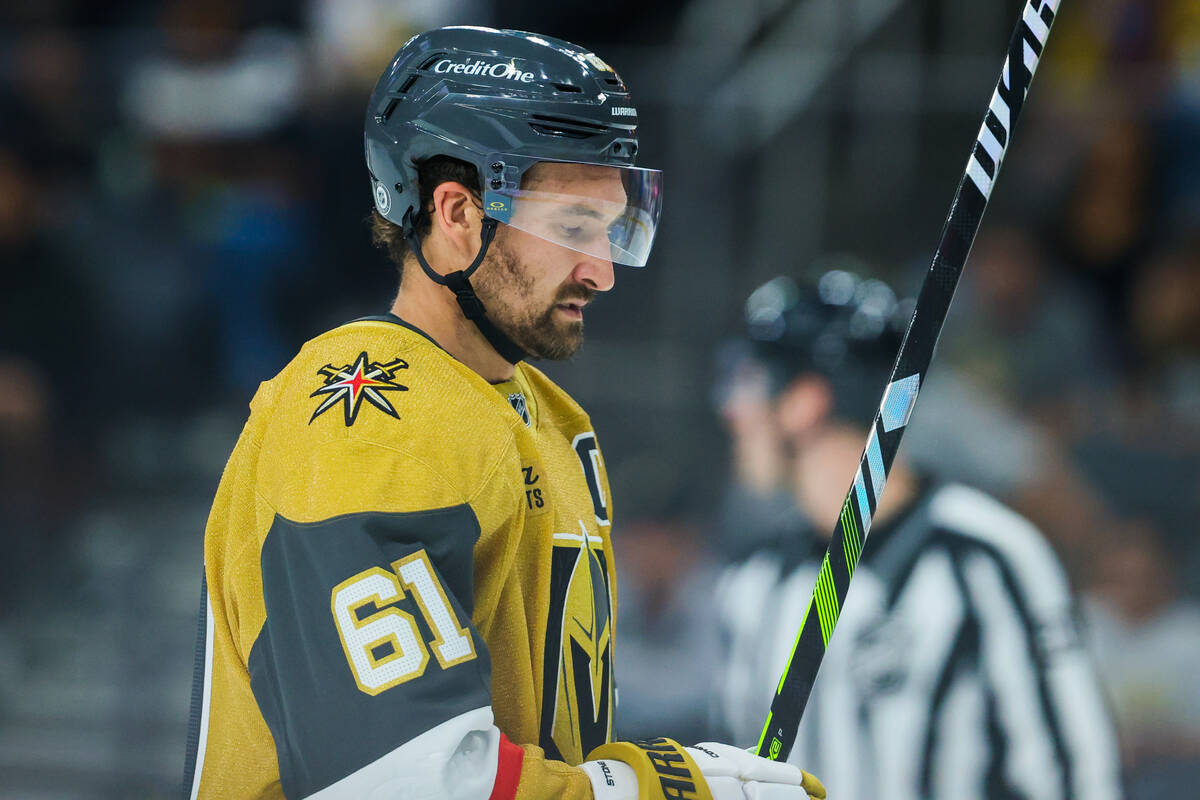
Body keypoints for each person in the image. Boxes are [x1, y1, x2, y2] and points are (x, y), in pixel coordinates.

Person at [182, 27, 824, 800]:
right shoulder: (367, 408)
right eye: (575, 228)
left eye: (615, 228)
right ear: (456, 212)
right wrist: (666, 788)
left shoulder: (550, 417)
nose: (602, 272)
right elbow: (395, 776)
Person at [712, 271, 1123, 800]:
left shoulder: (986, 558)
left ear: (804, 402)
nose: (731, 411)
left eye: (746, 385)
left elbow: (1075, 779)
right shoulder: (752, 583)